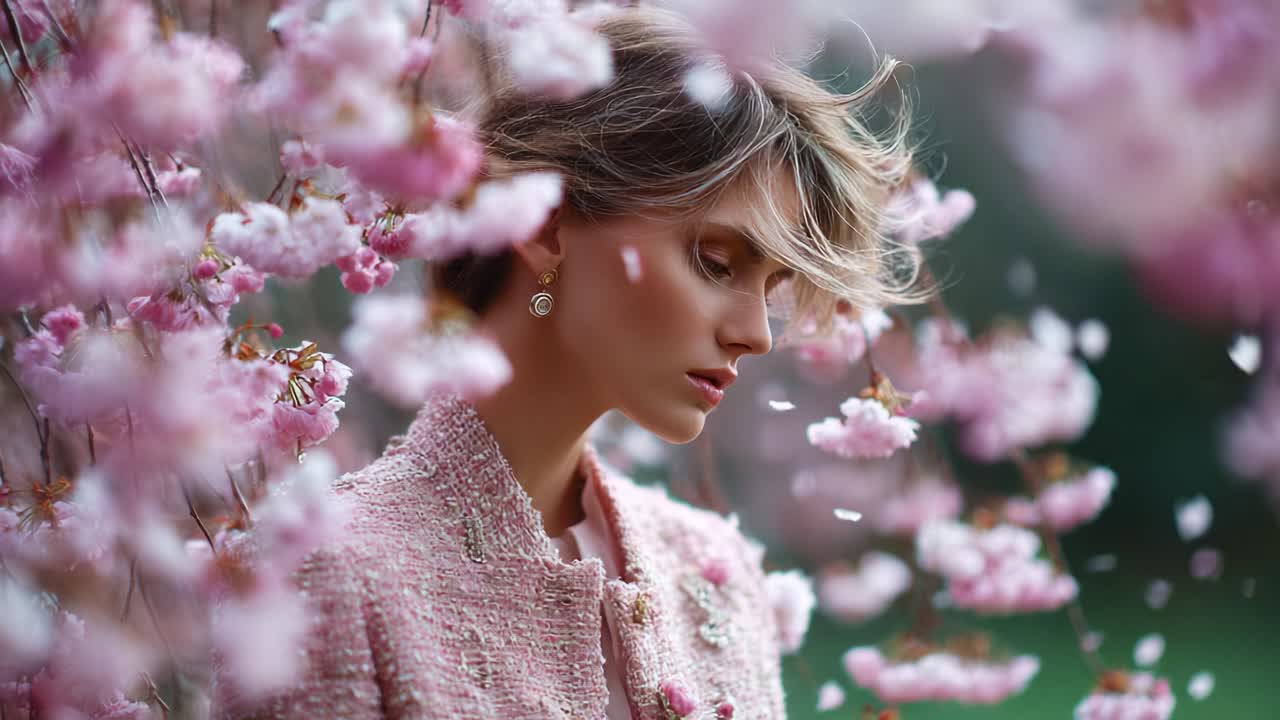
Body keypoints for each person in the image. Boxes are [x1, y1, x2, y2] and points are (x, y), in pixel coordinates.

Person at [215, 5, 921, 719]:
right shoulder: (328, 571)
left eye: (771, 288)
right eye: (715, 263)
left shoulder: (718, 574)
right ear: (547, 224)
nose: (755, 333)